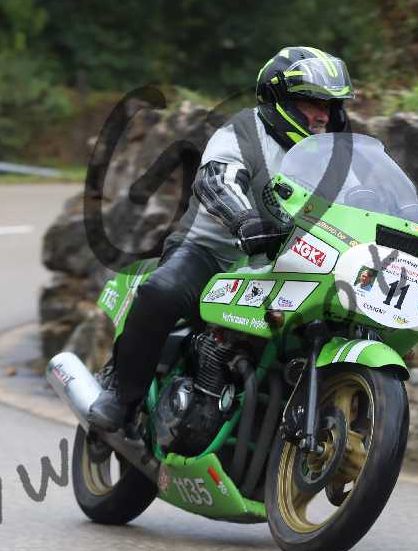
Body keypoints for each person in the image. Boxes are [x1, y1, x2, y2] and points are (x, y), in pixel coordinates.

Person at [86, 46, 356, 433]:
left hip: (292, 263)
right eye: (312, 102)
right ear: (280, 99)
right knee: (161, 291)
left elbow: (362, 201)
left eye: (331, 106)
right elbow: (218, 180)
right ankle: (122, 393)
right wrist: (244, 219)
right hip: (213, 253)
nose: (323, 115)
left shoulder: (333, 154)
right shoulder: (243, 132)